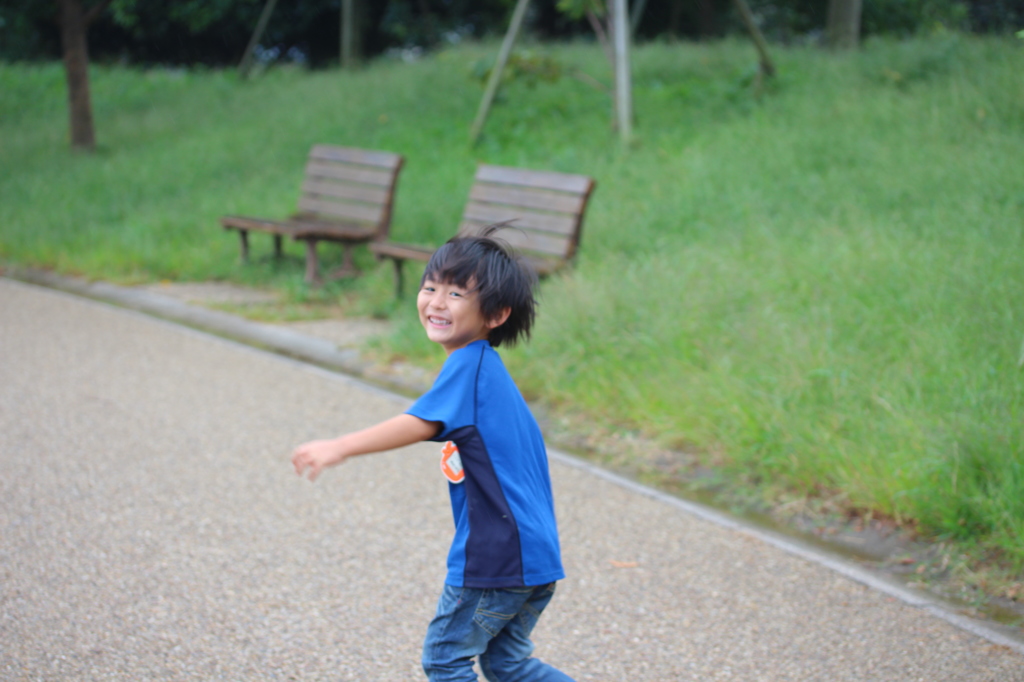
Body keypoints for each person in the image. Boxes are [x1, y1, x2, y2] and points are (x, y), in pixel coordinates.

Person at [291, 228, 574, 682]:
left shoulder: (469, 368)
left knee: (445, 659)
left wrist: (339, 446)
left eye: (456, 293)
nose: (437, 302)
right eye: (430, 287)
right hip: (535, 558)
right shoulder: (490, 375)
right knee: (508, 664)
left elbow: (418, 422)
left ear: (496, 314)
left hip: (496, 560)